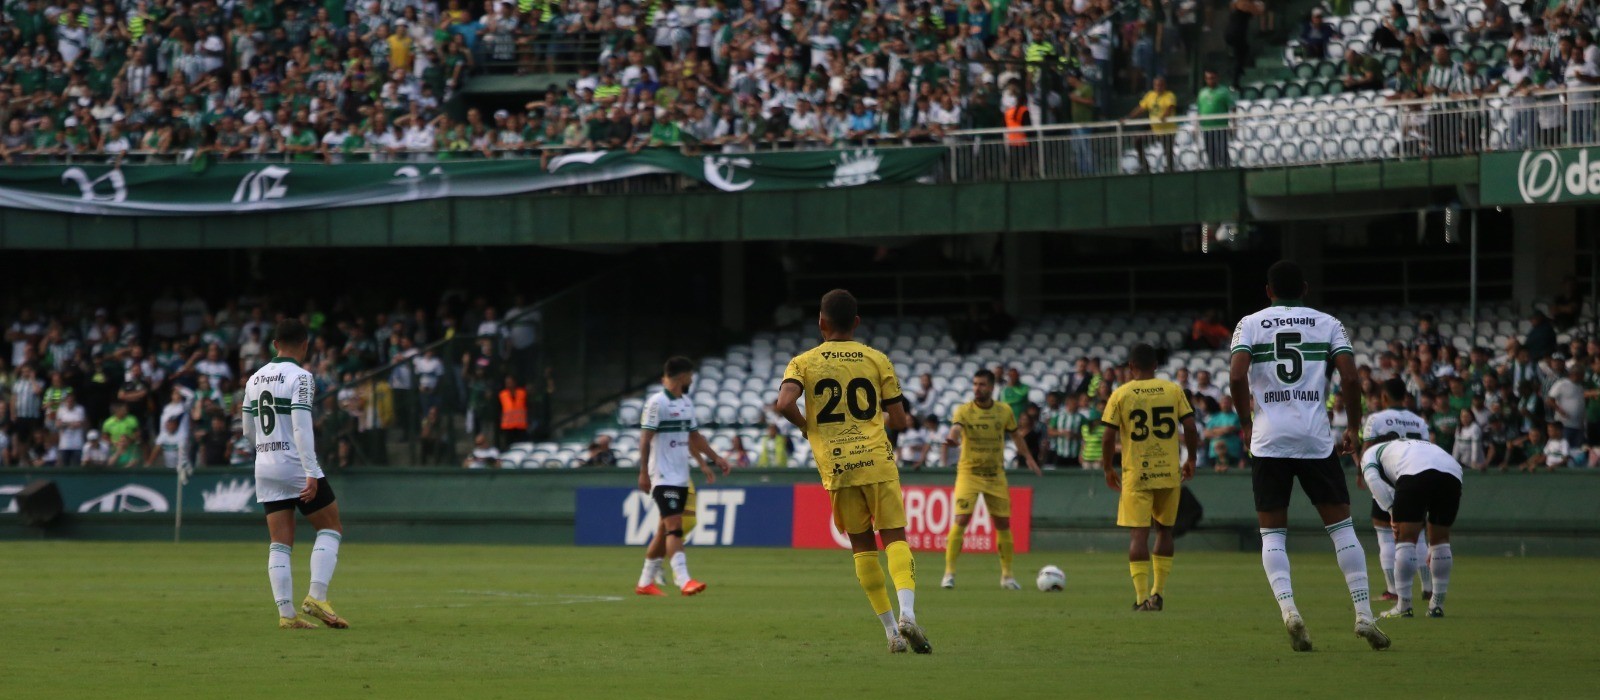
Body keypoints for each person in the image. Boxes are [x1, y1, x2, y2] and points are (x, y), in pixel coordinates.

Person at [1228, 260, 1390, 652]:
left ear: (1268, 291)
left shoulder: (1249, 324)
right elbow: (1351, 378)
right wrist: (1352, 427)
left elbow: (1236, 376)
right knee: (1341, 529)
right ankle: (1364, 614)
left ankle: (1289, 610)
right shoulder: (1328, 323)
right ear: (1304, 288)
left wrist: (1246, 422)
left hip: (1268, 439)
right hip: (1315, 439)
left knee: (1272, 533)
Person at [775, 289, 931, 654]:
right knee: (895, 538)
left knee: (862, 548)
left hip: (838, 465)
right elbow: (900, 419)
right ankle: (908, 613)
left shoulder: (803, 362)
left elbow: (783, 403)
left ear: (821, 322)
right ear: (857, 323)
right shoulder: (877, 359)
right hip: (876, 460)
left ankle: (892, 632)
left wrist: (807, 427)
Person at [242, 319, 348, 630]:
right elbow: (301, 426)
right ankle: (317, 596)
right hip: (294, 463)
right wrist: (311, 471)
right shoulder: (301, 377)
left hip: (265, 464)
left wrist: (265, 451)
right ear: (304, 345)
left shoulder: (254, 378)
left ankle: (287, 615)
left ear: (275, 344)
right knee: (331, 527)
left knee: (280, 541)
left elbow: (248, 430)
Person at [1100, 344, 1199, 611]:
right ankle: (1158, 593)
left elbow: (1108, 436)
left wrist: (1108, 468)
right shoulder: (1173, 390)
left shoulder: (1120, 394)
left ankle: (1141, 597)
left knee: (1138, 535)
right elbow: (1189, 425)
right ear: (1156, 365)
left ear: (1130, 366)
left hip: (1136, 474)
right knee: (1164, 531)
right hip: (1168, 472)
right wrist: (1191, 459)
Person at [634, 357, 730, 597]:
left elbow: (694, 437)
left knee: (663, 529)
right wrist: (644, 472)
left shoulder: (686, 402)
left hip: (680, 476)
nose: (692, 379)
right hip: (662, 476)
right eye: (690, 375)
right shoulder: (657, 403)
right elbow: (645, 439)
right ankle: (683, 579)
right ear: (682, 376)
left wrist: (715, 458)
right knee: (675, 525)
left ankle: (645, 582)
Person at [941, 368, 1043, 590]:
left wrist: (1028, 457)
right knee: (961, 520)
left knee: (1003, 524)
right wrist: (951, 439)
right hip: (969, 473)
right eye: (975, 384)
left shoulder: (1004, 411)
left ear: (992, 387)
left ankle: (1007, 576)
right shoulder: (964, 411)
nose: (977, 389)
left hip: (995, 475)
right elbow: (956, 429)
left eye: (982, 385)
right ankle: (949, 573)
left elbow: (1016, 435)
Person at [1360, 434, 1463, 619]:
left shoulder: (1371, 452)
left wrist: (1392, 511)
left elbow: (1373, 480)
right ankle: (1436, 605)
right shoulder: (1411, 445)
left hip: (1414, 470)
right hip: (1452, 471)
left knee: (1405, 540)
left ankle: (1404, 605)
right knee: (1440, 540)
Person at [1360, 378, 1432, 606]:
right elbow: (1427, 450)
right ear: (1405, 396)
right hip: (1415, 480)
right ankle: (1428, 587)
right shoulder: (1419, 421)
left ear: (1384, 397)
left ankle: (1393, 590)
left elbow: (1367, 452)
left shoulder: (1376, 419)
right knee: (1419, 536)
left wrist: (1362, 475)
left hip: (1386, 481)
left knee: (1385, 536)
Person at [1126, 75, 1177, 173]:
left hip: (1168, 130)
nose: (1158, 87)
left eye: (1160, 85)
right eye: (1156, 85)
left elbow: (1170, 108)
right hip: (1154, 129)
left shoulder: (1169, 95)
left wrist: (1164, 116)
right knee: (1138, 141)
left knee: (1168, 151)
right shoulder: (1150, 95)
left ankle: (1171, 169)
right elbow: (1141, 108)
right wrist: (1128, 117)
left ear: (1164, 85)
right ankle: (1145, 166)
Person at [1206, 396, 1244, 472]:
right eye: (1223, 402)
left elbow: (1230, 429)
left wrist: (1215, 430)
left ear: (1232, 404)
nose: (1225, 404)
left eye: (1227, 402)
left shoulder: (1236, 417)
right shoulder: (1214, 417)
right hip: (1214, 453)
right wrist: (1224, 430)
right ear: (1219, 404)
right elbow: (1206, 433)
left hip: (1232, 453)